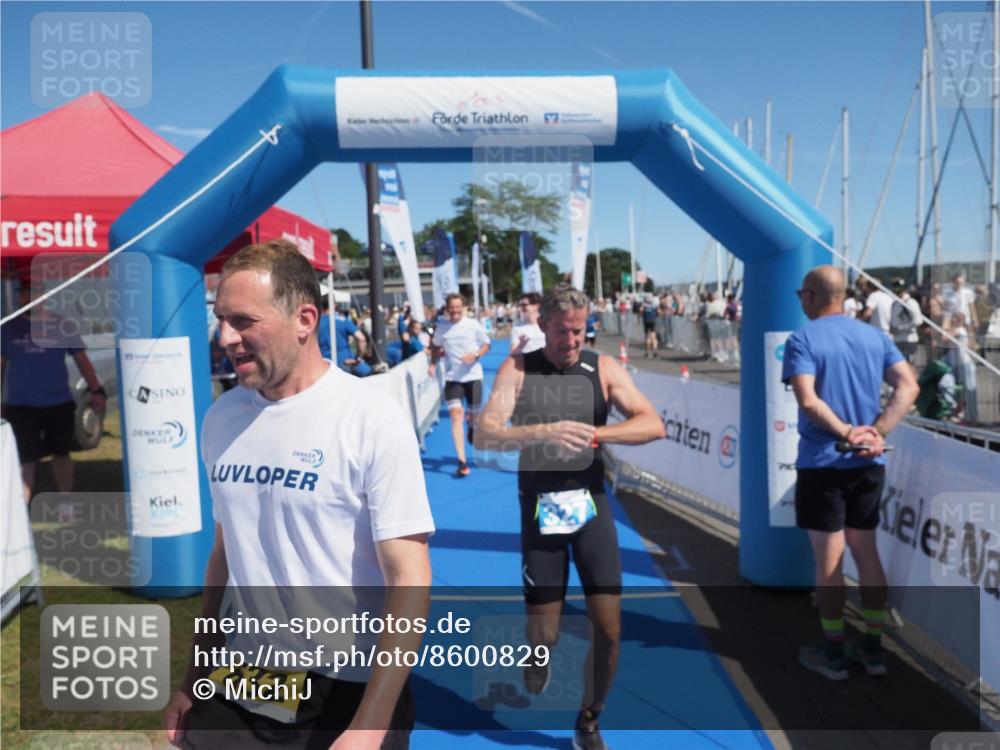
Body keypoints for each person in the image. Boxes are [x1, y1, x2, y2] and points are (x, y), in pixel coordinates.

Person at [165, 240, 434, 750]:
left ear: (305, 319)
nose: (225, 337)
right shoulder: (222, 417)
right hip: (246, 672)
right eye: (221, 320)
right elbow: (225, 555)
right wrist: (193, 678)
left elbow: (410, 575)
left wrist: (369, 724)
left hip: (347, 684)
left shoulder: (370, 418)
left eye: (243, 321)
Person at [474, 284, 665, 750]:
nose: (573, 340)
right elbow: (485, 433)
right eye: (562, 331)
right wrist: (544, 432)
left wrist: (594, 435)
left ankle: (589, 721)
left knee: (610, 630)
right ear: (543, 326)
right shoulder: (519, 368)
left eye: (580, 331)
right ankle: (537, 654)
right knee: (546, 634)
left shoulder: (603, 368)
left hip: (590, 508)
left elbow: (652, 423)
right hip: (541, 512)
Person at [783, 266, 918, 682]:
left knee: (829, 562)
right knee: (866, 552)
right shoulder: (874, 337)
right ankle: (874, 650)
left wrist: (847, 433)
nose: (800, 301)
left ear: (810, 296)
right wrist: (876, 432)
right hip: (868, 463)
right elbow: (908, 386)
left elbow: (808, 400)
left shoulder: (803, 338)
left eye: (801, 295)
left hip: (825, 463)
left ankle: (834, 653)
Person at [0, 279, 106, 501]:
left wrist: (97, 390)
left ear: (44, 295)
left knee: (61, 453)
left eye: (34, 292)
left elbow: (81, 359)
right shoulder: (8, 328)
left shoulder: (62, 325)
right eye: (24, 293)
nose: (29, 297)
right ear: (20, 296)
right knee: (25, 459)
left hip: (58, 403)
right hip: (21, 406)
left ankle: (65, 503)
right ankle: (23, 509)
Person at [429, 293, 491, 477]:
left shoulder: (473, 325)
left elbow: (487, 345)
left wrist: (475, 355)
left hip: (473, 376)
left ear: (463, 308)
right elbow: (435, 345)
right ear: (447, 309)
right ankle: (462, 461)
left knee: (473, 416)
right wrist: (432, 363)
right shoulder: (442, 327)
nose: (455, 310)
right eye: (452, 307)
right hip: (453, 378)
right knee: (456, 415)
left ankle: (472, 427)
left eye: (458, 307)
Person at [320, 304, 372, 378]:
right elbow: (361, 338)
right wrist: (359, 358)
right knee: (371, 377)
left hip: (326, 364)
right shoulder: (342, 320)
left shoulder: (316, 323)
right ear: (334, 305)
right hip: (347, 361)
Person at [889, 279, 923, 362]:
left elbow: (918, 320)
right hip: (897, 339)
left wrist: (901, 328)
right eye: (895, 288)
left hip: (908, 340)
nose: (897, 290)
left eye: (899, 288)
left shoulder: (910, 302)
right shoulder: (895, 303)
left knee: (909, 364)